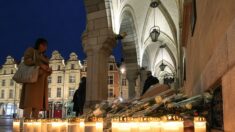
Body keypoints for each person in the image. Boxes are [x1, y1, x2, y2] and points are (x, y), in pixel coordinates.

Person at [19, 38, 52, 119]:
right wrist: (40, 65)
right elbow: (27, 60)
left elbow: (47, 71)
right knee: (29, 104)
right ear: (39, 44)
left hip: (41, 83)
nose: (45, 47)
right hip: (31, 81)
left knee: (37, 107)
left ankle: (34, 126)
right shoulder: (31, 51)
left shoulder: (45, 57)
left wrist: (48, 70)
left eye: (46, 46)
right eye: (43, 45)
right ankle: (25, 125)